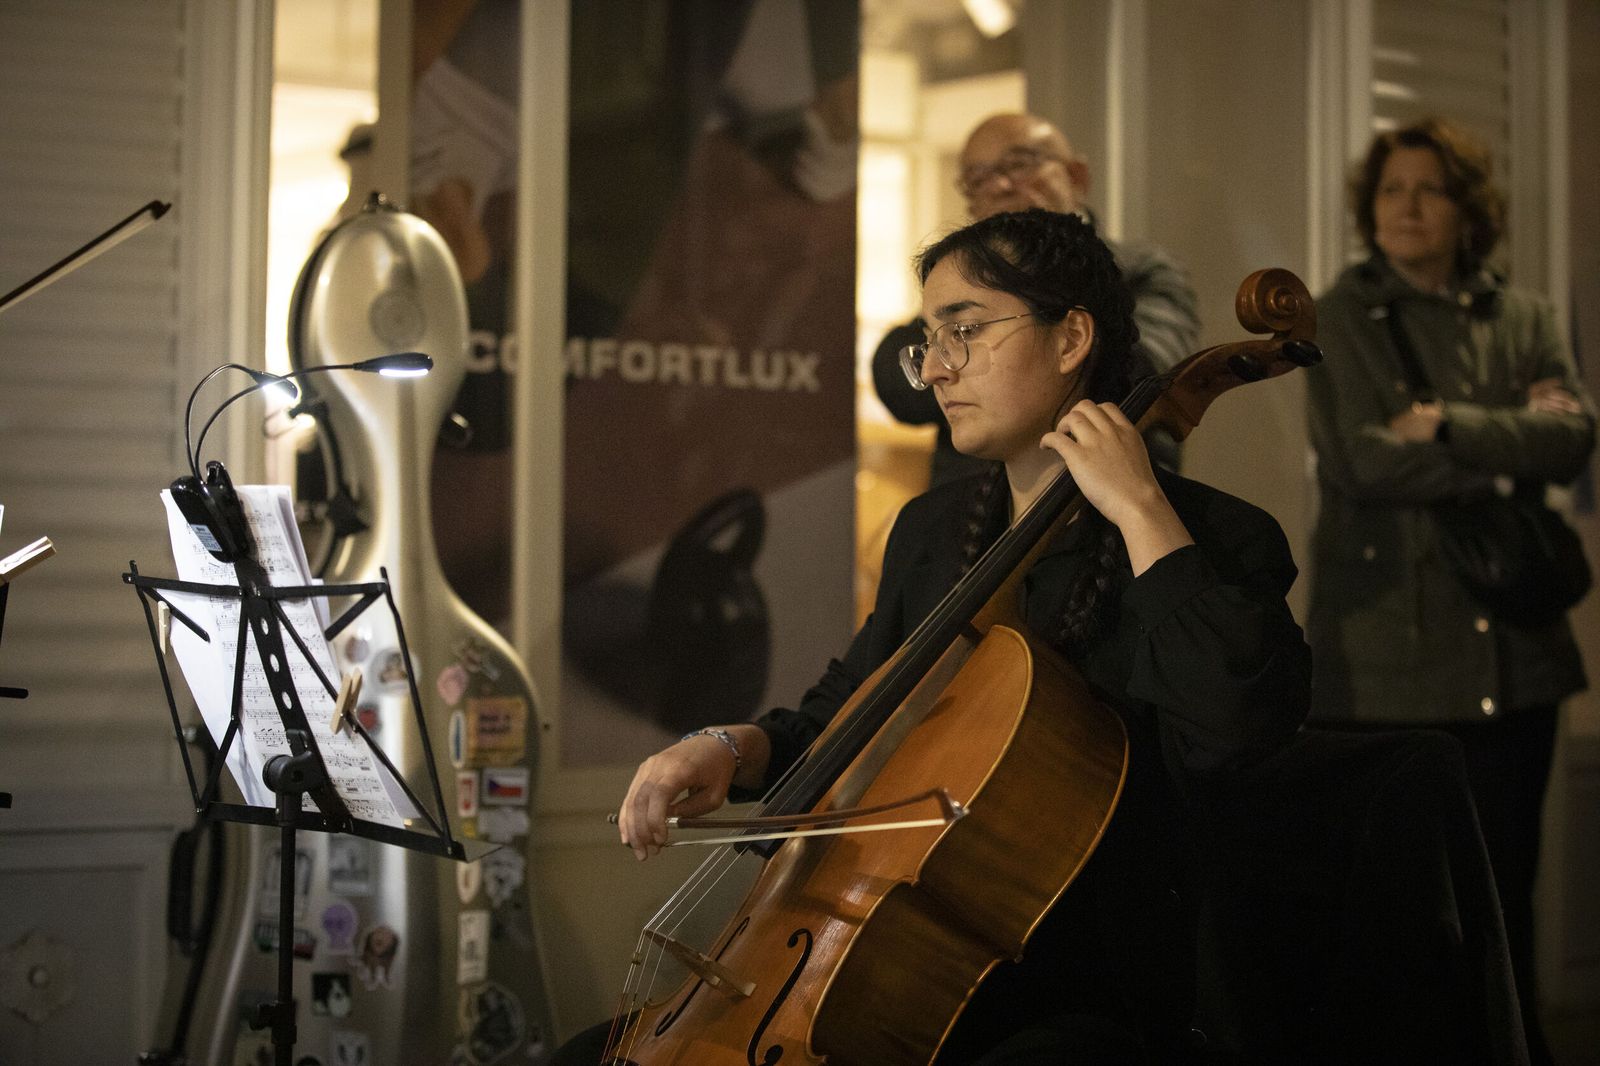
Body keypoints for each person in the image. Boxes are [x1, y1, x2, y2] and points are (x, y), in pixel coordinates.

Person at [596, 208, 1311, 1064]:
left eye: (964, 331)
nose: (935, 369)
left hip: (1092, 992)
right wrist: (727, 748)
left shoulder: (1218, 537)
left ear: (1072, 336)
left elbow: (1235, 732)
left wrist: (1141, 508)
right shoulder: (933, 532)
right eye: (927, 341)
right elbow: (853, 713)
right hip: (916, 964)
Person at [1305, 116, 1594, 1066]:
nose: (1407, 208)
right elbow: (1362, 462)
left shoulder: (1527, 316)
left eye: (1429, 189)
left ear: (1469, 210)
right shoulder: (1342, 312)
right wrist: (1505, 450)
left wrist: (1446, 424)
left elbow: (1572, 438)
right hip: (1384, 658)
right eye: (1391, 190)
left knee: (1505, 896)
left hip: (1516, 657)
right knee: (1393, 920)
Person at [871, 112, 1200, 482]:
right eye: (977, 179)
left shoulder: (1143, 270)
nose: (999, 186)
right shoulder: (960, 278)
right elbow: (898, 385)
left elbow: (1133, 377)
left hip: (1111, 495)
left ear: (1076, 176)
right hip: (970, 505)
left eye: (1019, 164)